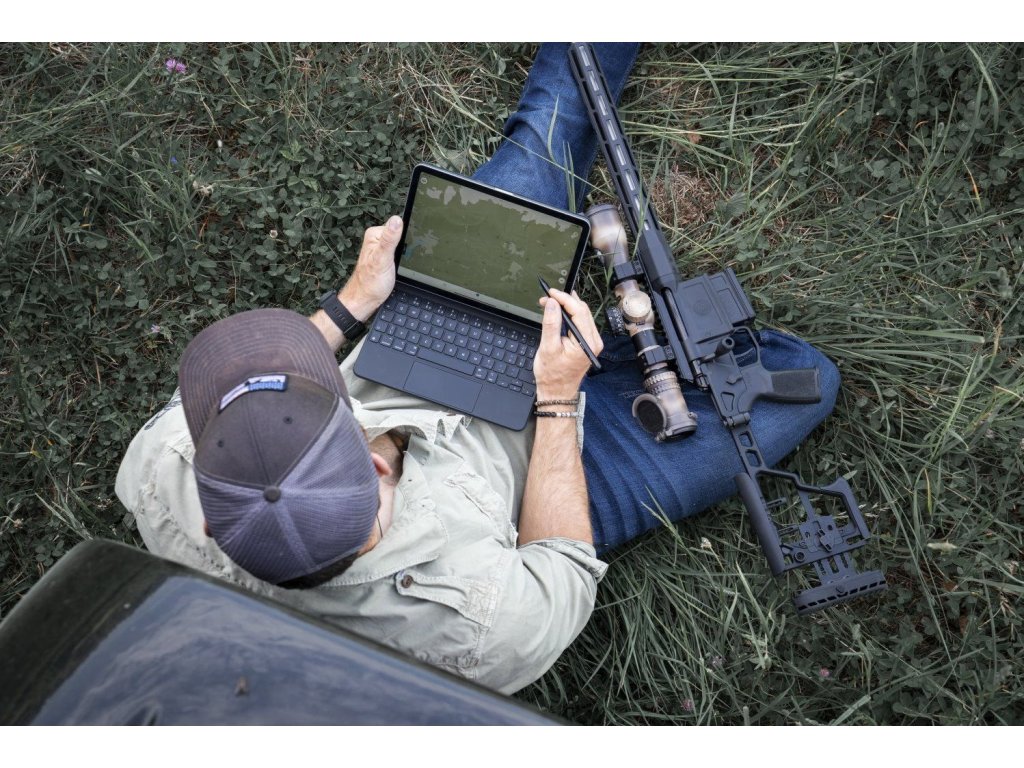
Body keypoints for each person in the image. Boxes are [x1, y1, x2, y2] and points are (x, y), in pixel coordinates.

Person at [116, 43, 839, 693]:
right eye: (318, 390)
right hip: (539, 489)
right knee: (798, 378)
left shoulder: (166, 475)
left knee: (549, 132)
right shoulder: (480, 635)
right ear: (373, 464)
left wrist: (353, 303)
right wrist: (557, 400)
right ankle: (598, 357)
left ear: (210, 514)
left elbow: (237, 392)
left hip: (422, 344)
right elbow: (561, 562)